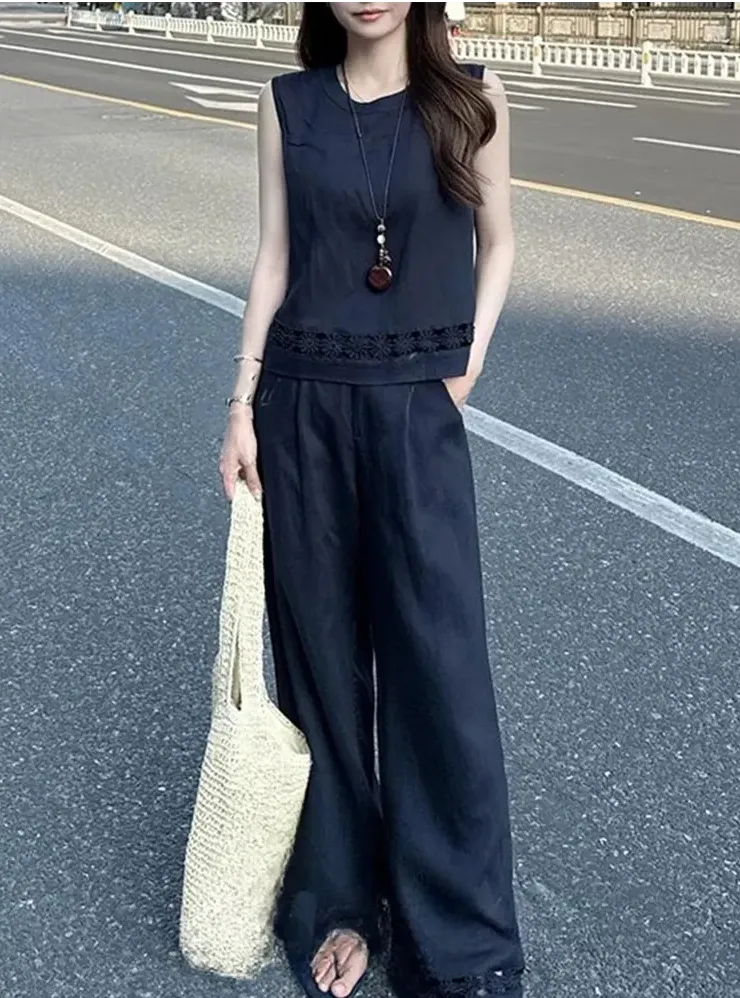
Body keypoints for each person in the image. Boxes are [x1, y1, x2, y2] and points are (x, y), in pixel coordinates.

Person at [219, 3, 524, 997]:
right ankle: (341, 903)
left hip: (414, 412)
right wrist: (240, 406)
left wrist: (465, 366)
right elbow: (274, 255)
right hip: (301, 404)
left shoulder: (472, 100)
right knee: (321, 671)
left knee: (439, 672)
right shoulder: (286, 104)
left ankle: (457, 943)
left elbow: (499, 242)